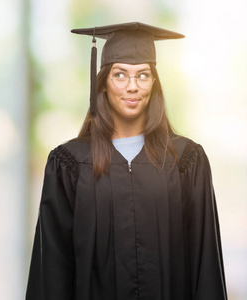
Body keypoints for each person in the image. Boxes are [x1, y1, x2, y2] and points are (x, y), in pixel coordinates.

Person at [26, 22, 227, 300]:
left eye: (143, 75)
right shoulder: (70, 164)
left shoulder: (186, 161)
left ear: (154, 83)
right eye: (120, 74)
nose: (132, 87)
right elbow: (52, 270)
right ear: (104, 83)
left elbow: (205, 263)